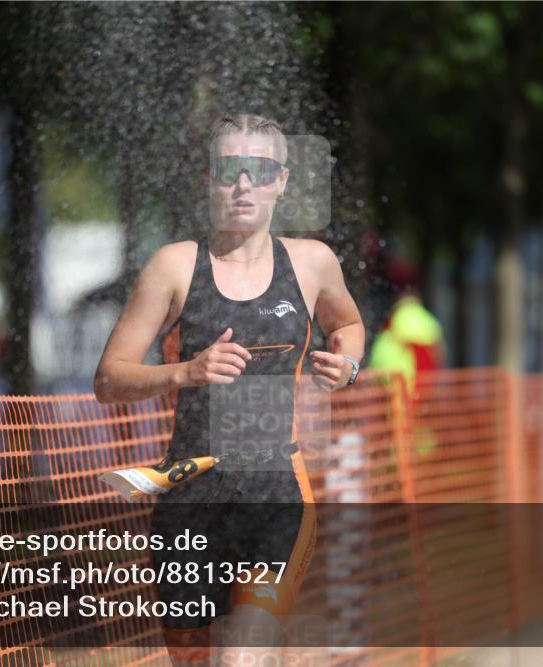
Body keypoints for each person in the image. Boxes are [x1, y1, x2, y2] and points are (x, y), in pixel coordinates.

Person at [94, 114, 364, 665]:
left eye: (259, 170)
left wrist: (349, 366)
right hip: (190, 498)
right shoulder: (174, 266)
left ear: (282, 180)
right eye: (229, 170)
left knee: (239, 657)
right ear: (208, 178)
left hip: (277, 493)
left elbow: (348, 325)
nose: (244, 185)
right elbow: (109, 379)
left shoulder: (311, 263)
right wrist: (185, 372)